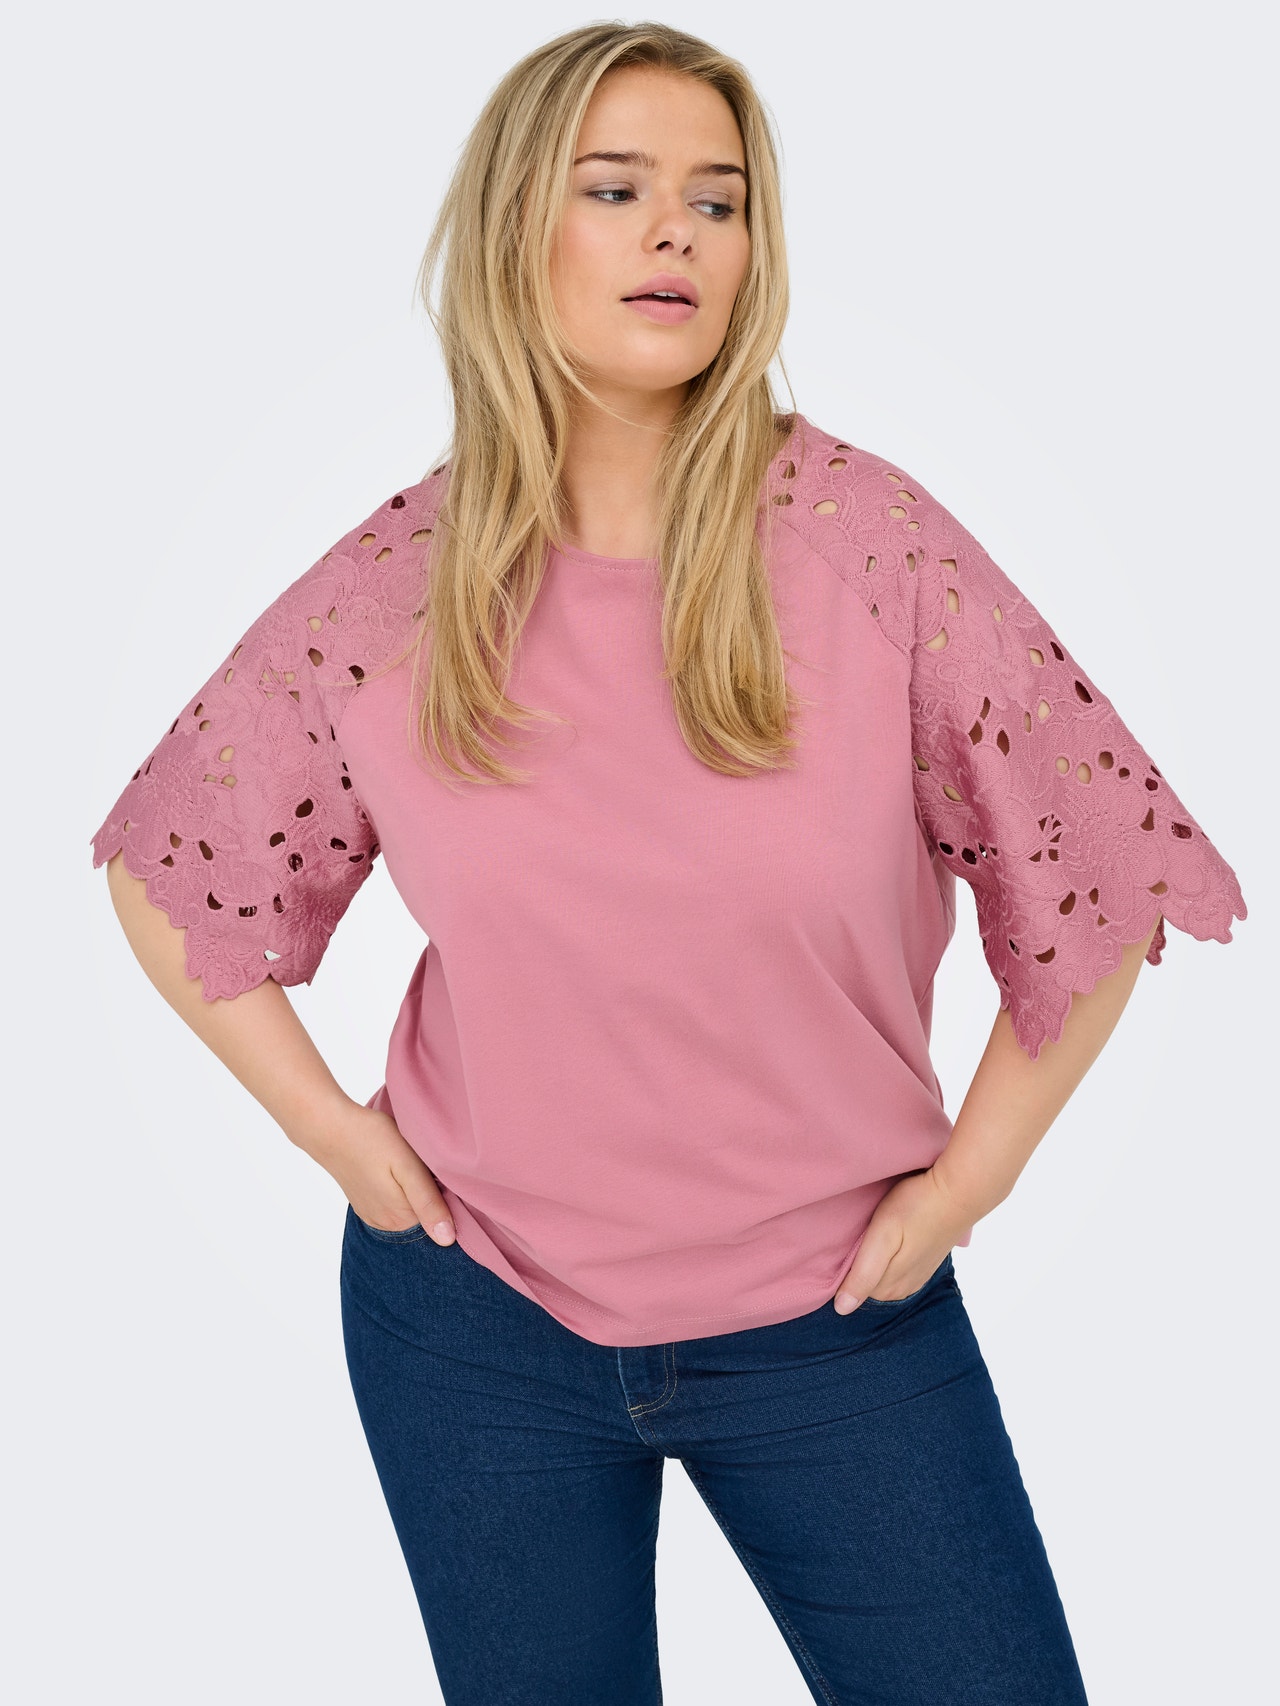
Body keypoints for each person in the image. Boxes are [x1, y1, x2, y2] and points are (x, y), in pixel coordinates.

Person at [89, 20, 1247, 1706]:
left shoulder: (870, 548)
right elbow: (166, 866)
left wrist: (968, 1186)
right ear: (517, 228)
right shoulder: (401, 584)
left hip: (840, 1321)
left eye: (718, 199)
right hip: (474, 1326)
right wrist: (332, 1131)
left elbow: (1101, 868)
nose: (677, 234)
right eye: (617, 188)